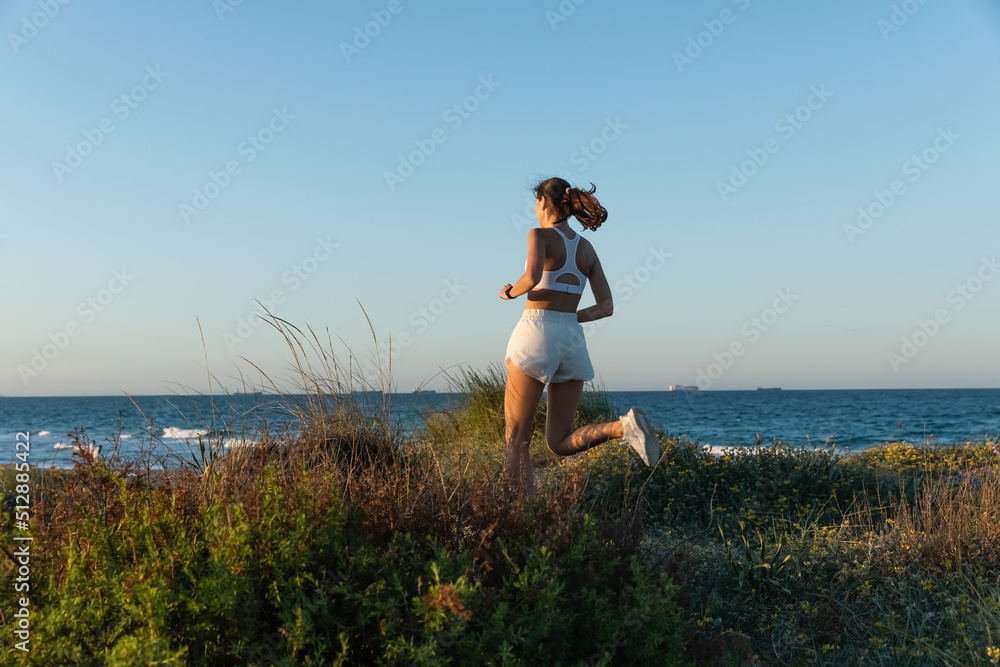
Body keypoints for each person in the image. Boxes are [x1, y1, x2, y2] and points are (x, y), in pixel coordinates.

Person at [499, 177, 659, 491]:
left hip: (536, 330)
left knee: (516, 438)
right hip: (572, 338)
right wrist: (567, 318)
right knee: (559, 441)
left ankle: (516, 515)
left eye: (536, 202)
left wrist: (509, 293)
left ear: (543, 202)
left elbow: (531, 278)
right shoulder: (586, 249)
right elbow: (606, 307)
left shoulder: (539, 235)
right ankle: (622, 427)